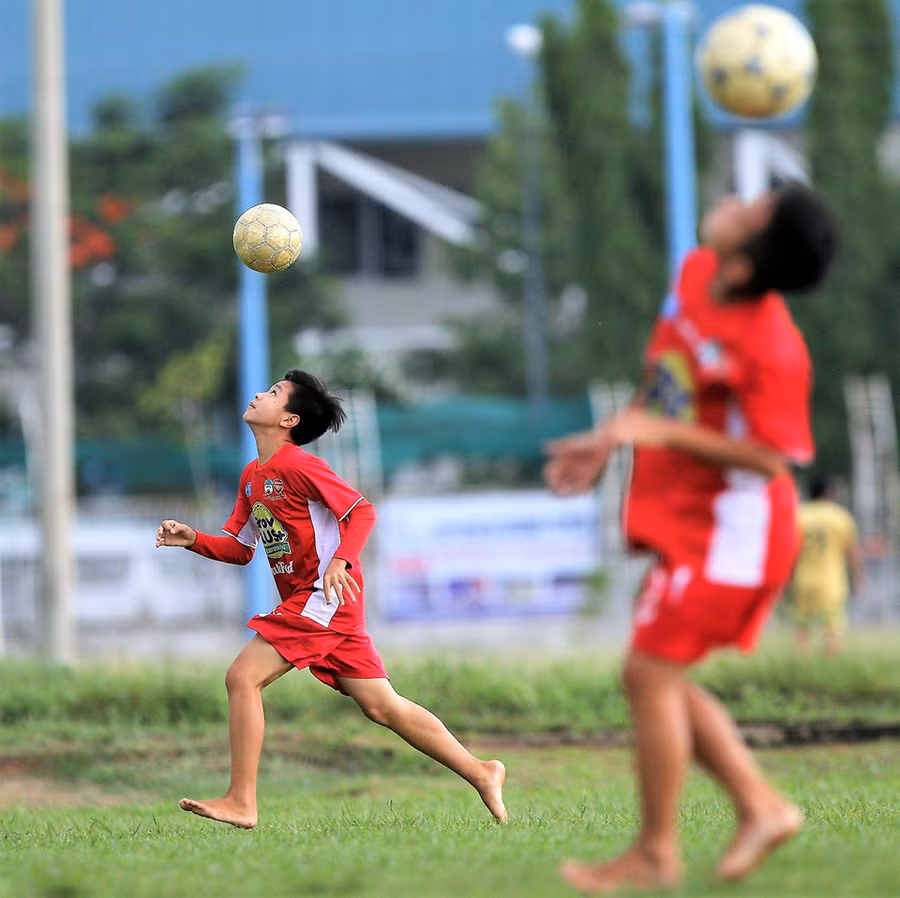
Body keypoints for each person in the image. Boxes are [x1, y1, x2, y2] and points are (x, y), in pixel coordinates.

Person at [543, 183, 839, 893]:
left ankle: (657, 851)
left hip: (735, 537)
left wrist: (654, 431)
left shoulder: (774, 349)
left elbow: (776, 457)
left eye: (752, 212)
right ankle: (760, 808)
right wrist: (614, 436)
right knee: (655, 676)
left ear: (745, 267)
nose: (736, 200)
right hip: (690, 522)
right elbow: (667, 387)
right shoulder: (695, 272)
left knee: (648, 674)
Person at [157, 369, 507, 828]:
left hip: (323, 598)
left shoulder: (301, 465)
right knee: (382, 705)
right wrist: (193, 538)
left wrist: (341, 560)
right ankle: (482, 771)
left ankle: (242, 801)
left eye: (275, 393)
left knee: (242, 677)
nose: (260, 394)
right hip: (325, 605)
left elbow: (361, 511)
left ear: (289, 420)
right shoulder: (252, 476)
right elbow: (240, 549)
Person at [788, 473, 863, 657]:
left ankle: (801, 666)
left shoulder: (798, 515)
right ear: (830, 492)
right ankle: (830, 664)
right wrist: (858, 578)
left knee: (802, 627)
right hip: (831, 579)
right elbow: (852, 552)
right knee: (832, 627)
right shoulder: (840, 516)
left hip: (803, 578)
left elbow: (788, 551)